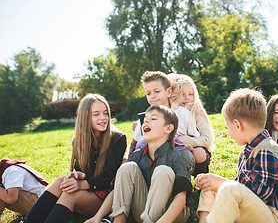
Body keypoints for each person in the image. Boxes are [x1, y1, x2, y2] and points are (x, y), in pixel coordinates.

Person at [195, 88, 278, 223]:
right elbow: (241, 189)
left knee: (227, 187)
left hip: (277, 218)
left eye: (228, 126)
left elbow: (260, 196)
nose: (229, 132)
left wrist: (222, 183)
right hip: (257, 212)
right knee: (210, 185)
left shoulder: (266, 151)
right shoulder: (247, 151)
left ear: (237, 125)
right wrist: (215, 183)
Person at [24, 94, 127, 223]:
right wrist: (77, 176)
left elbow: (109, 177)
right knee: (60, 181)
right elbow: (81, 171)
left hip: (107, 197)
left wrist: (81, 184)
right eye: (96, 114)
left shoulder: (118, 139)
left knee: (70, 195)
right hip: (88, 191)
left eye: (105, 113)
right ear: (85, 117)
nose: (103, 118)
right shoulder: (79, 141)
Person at [85, 105, 192, 223]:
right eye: (145, 119)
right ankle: (118, 221)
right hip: (144, 212)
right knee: (127, 167)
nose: (146, 121)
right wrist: (97, 216)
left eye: (153, 119)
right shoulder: (136, 155)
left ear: (168, 128)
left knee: (163, 171)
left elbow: (181, 199)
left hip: (172, 215)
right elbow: (117, 189)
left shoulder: (176, 157)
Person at [129, 71, 195, 173]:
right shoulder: (145, 118)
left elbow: (194, 136)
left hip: (176, 158)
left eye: (157, 91)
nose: (152, 96)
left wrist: (185, 143)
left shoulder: (182, 113)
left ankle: (180, 184)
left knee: (186, 155)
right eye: (148, 93)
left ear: (168, 92)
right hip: (151, 162)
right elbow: (134, 143)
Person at [168, 73, 214, 176]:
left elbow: (207, 139)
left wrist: (185, 141)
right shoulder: (170, 111)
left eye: (191, 94)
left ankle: (202, 181)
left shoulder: (197, 110)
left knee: (199, 153)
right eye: (182, 94)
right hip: (174, 148)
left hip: (196, 148)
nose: (187, 98)